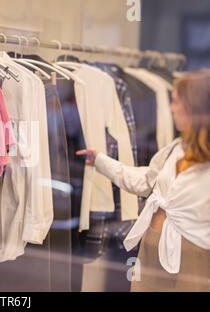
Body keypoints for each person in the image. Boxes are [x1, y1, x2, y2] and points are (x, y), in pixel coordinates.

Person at [77, 69, 210, 292]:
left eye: (176, 102)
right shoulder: (174, 150)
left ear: (194, 108)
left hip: (192, 258)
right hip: (149, 250)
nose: (171, 108)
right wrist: (100, 160)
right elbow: (145, 180)